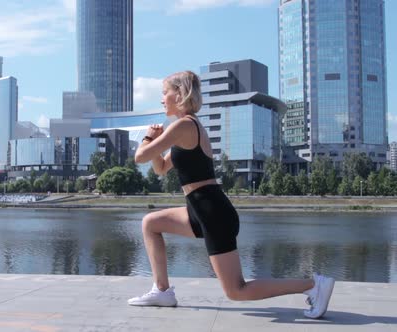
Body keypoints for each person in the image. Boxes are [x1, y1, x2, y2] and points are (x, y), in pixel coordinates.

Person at [129, 70, 334, 319]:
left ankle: (313, 285)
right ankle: (162, 291)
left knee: (236, 290)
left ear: (180, 94)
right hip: (199, 209)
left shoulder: (184, 125)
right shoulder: (184, 129)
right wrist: (158, 145)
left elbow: (140, 156)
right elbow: (160, 168)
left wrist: (150, 137)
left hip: (212, 211)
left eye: (165, 93)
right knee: (151, 223)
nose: (162, 99)